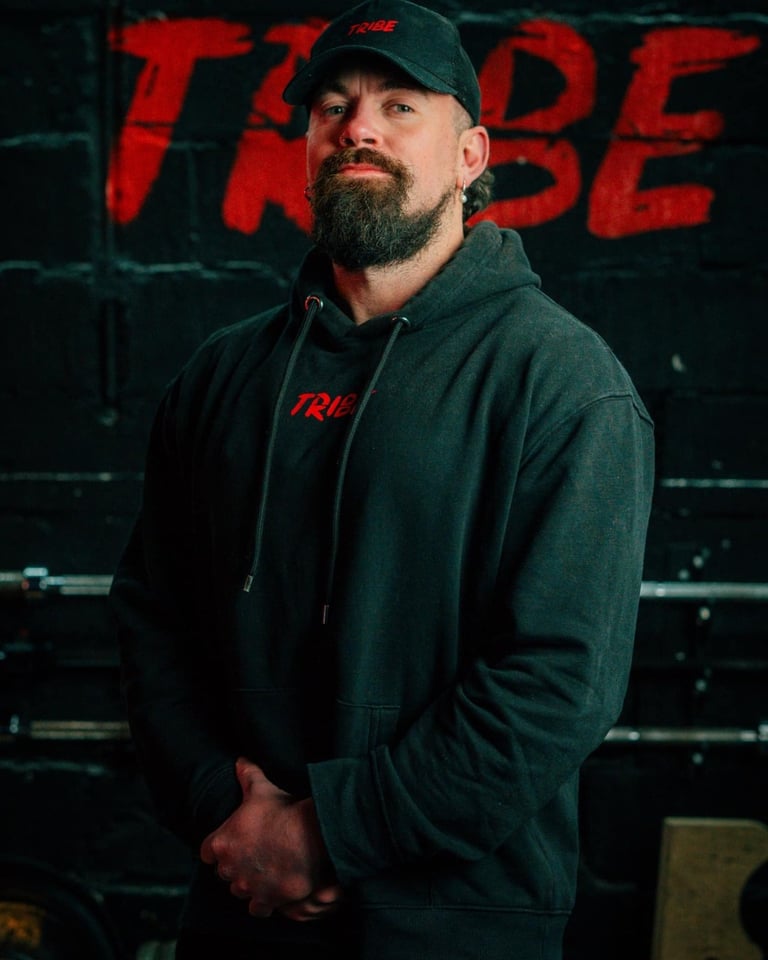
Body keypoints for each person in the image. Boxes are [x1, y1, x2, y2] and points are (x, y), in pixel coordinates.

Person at [109, 1, 655, 958]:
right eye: (333, 106)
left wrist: (331, 833)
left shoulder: (563, 383)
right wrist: (227, 816)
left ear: (470, 157)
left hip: (459, 923)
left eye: (400, 105)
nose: (357, 126)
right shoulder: (221, 377)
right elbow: (155, 621)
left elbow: (556, 681)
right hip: (242, 908)